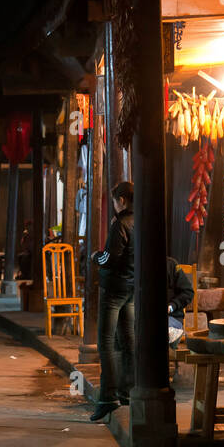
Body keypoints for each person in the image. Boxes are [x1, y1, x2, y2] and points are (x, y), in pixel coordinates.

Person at [90, 181, 136, 422]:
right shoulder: (141, 221)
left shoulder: (121, 224)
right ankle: (128, 392)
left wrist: (96, 256)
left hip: (114, 288)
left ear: (122, 201)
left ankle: (108, 397)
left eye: (116, 201)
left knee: (106, 343)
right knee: (129, 342)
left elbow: (110, 257)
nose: (115, 206)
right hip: (131, 288)